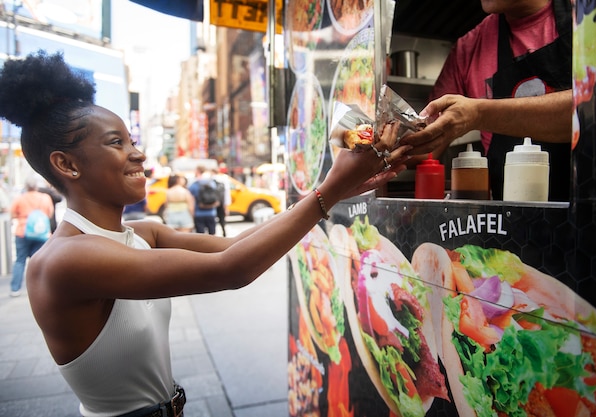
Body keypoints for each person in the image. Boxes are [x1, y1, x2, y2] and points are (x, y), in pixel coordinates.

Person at [0, 50, 410, 417]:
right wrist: (329, 190)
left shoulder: (142, 232)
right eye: (117, 143)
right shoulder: (65, 259)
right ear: (66, 165)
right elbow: (230, 269)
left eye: (133, 139)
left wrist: (336, 191)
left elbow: (236, 244)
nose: (139, 153)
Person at [401, 0, 572, 201]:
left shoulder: (592, 15)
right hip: (507, 220)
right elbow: (428, 141)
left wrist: (478, 114)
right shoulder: (469, 49)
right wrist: (378, 142)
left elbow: (594, 112)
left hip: (593, 218)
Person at [8, 177, 54, 297]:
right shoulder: (45, 198)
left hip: (22, 231)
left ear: (26, 186)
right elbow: (50, 213)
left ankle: (15, 288)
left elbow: (12, 214)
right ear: (36, 187)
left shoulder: (20, 199)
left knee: (20, 260)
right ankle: (41, 288)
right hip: (41, 232)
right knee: (39, 261)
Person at [187, 165, 219, 235]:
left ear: (198, 171)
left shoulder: (194, 184)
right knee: (213, 235)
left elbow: (190, 199)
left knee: (200, 236)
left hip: (198, 213)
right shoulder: (211, 183)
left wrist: (191, 214)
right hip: (211, 212)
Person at [210, 167, 231, 237]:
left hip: (211, 204)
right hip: (221, 203)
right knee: (222, 219)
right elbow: (226, 194)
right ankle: (224, 233)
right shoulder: (223, 179)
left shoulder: (209, 180)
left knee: (212, 221)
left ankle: (213, 235)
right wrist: (226, 207)